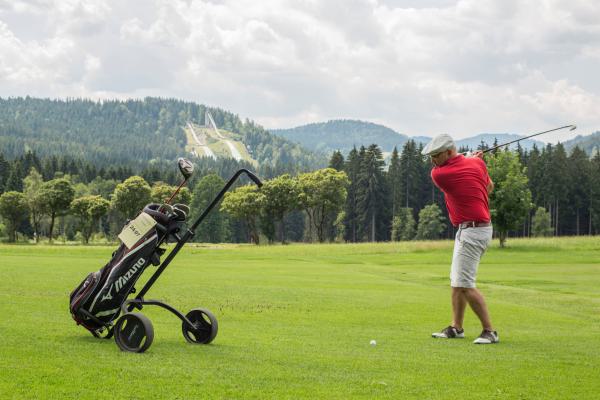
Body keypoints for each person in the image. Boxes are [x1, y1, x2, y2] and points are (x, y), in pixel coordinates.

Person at [422, 134, 498, 344]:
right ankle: (457, 327)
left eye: (436, 156)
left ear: (449, 152)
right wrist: (473, 160)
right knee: (456, 282)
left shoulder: (440, 175)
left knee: (465, 284)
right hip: (475, 229)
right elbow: (488, 187)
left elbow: (446, 170)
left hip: (472, 231)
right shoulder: (477, 164)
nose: (432, 161)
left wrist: (468, 159)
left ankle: (489, 331)